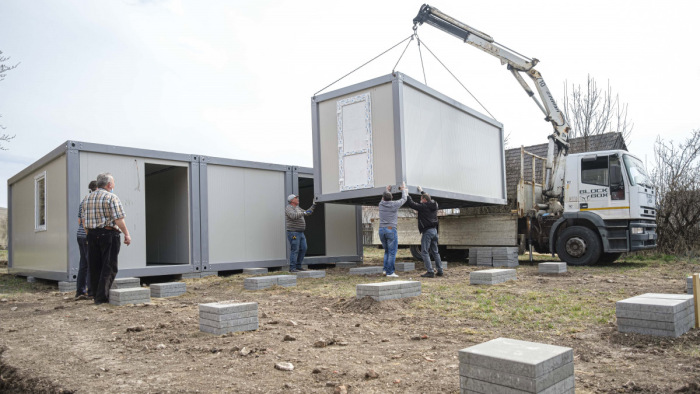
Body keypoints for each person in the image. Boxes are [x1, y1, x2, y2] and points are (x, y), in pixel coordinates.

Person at [82, 173, 131, 305]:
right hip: (108, 234)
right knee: (108, 266)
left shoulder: (87, 198)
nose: (114, 184)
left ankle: (94, 294)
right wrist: (126, 234)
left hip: (92, 235)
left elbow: (84, 220)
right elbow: (119, 219)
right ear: (109, 184)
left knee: (95, 266)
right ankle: (102, 297)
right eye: (113, 182)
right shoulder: (112, 197)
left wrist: (89, 234)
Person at [405, 186, 443, 278]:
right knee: (435, 252)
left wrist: (406, 193)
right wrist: (422, 191)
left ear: (424, 200)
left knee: (424, 252)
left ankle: (430, 271)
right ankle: (440, 270)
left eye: (421, 199)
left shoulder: (423, 207)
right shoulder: (434, 204)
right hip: (434, 231)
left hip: (428, 232)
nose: (420, 201)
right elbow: (428, 198)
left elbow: (411, 204)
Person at [378, 182, 407, 278]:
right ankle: (390, 272)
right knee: (392, 252)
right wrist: (403, 189)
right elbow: (404, 199)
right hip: (390, 229)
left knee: (387, 251)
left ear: (383, 198)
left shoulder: (381, 204)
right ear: (392, 198)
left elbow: (384, 197)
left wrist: (387, 190)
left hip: (381, 230)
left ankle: (385, 270)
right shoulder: (394, 204)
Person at [75, 180, 97, 299]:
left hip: (80, 235)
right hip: (88, 235)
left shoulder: (83, 200)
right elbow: (84, 221)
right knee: (91, 264)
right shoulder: (92, 201)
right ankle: (91, 291)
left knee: (83, 263)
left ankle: (80, 291)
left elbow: (79, 220)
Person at [285, 194, 317, 272]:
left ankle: (298, 266)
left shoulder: (298, 208)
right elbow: (293, 216)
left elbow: (307, 213)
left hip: (300, 232)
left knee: (303, 248)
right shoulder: (289, 208)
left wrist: (314, 205)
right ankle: (292, 268)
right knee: (295, 249)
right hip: (293, 233)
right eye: (296, 198)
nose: (298, 199)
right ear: (292, 200)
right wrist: (304, 213)